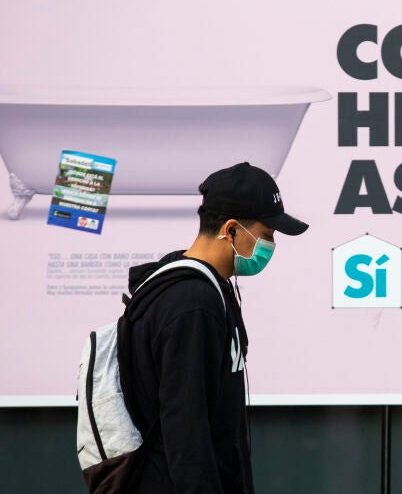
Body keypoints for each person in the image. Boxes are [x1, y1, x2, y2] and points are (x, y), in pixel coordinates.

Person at [121, 162, 307, 494]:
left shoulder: (206, 289)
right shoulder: (193, 304)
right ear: (231, 229)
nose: (271, 245)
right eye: (267, 235)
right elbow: (186, 427)